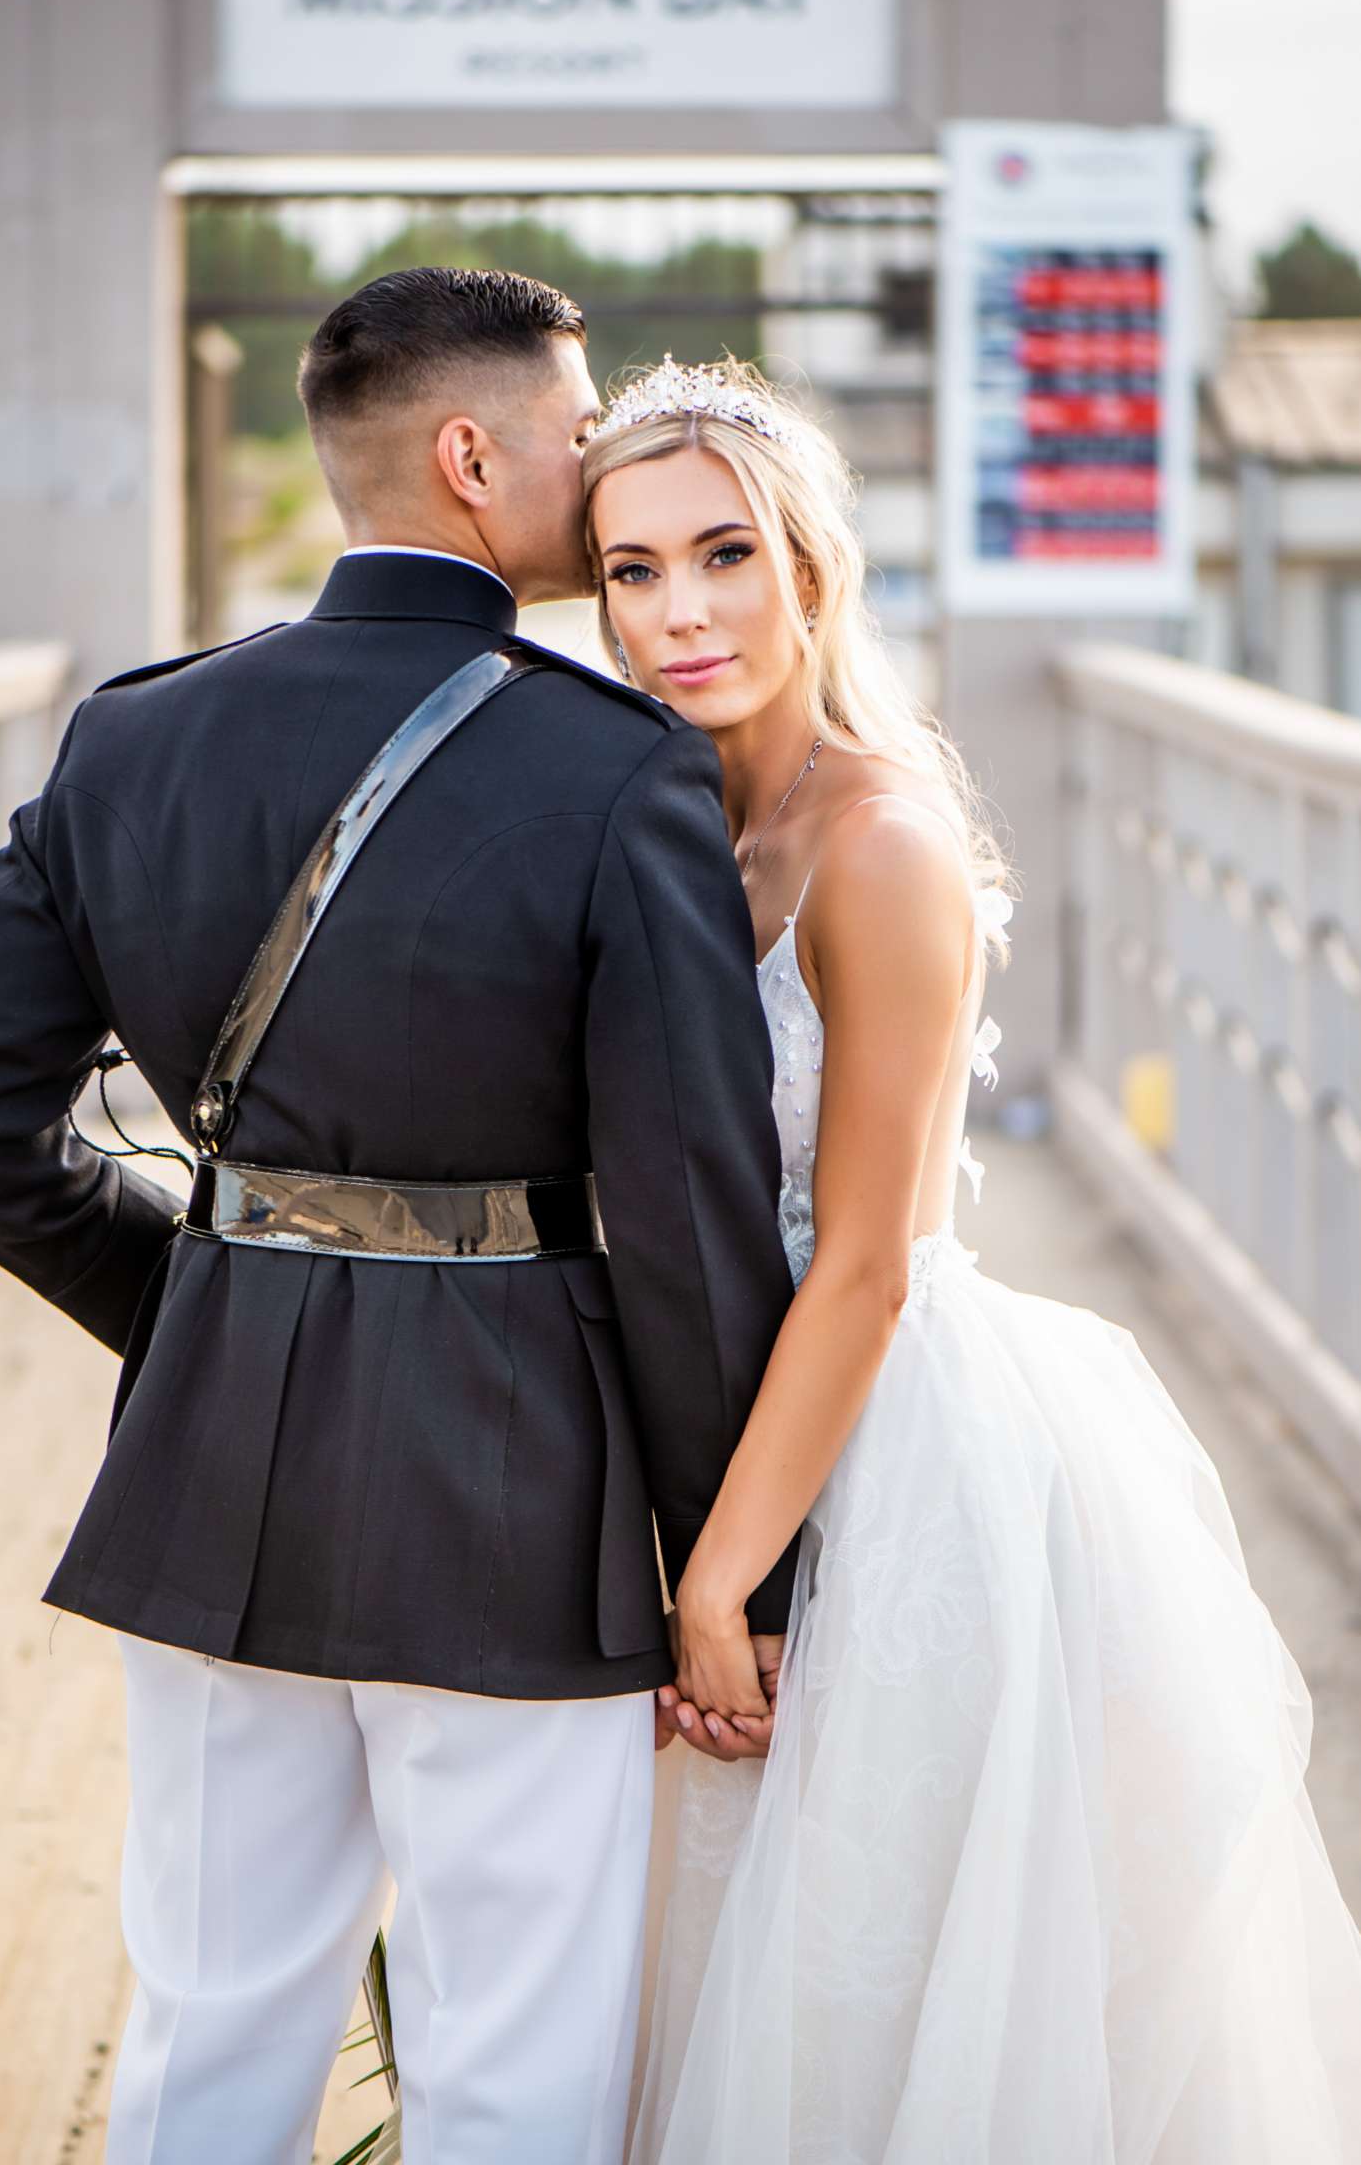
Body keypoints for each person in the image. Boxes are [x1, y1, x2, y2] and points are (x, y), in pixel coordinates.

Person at [0, 272, 798, 2165]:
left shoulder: (133, 735)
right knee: (512, 2060)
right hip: (517, 1490)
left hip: (209, 1472)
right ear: (472, 458)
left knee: (209, 2031)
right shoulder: (618, 772)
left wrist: (205, 1300)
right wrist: (738, 1572)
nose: (598, 449)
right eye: (575, 420)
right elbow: (691, 1224)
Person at [578, 356, 1361, 2164]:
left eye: (723, 553)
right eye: (630, 570)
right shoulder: (671, 815)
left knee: (893, 1980)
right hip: (720, 1407)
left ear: (811, 566)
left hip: (885, 1448)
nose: (679, 611)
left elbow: (862, 1264)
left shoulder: (881, 843)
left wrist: (717, 1584)